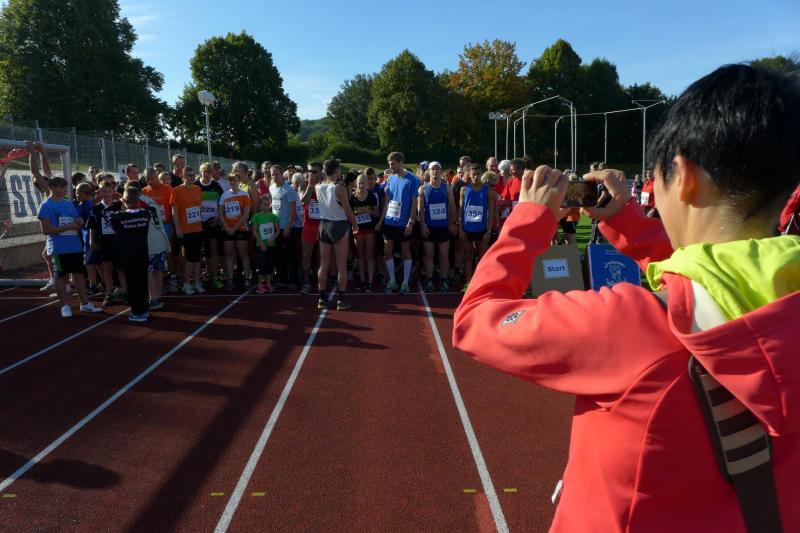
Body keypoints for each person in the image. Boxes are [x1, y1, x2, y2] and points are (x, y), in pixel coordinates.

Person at [453, 64, 800, 532]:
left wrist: (530, 219)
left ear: (684, 175)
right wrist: (630, 224)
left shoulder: (627, 324)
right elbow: (715, 280)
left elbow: (476, 319)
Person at [36, 177, 103, 317]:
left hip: (75, 246)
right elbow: (46, 230)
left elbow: (76, 220)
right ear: (53, 187)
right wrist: (69, 226)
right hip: (59, 247)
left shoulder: (69, 204)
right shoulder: (46, 205)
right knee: (61, 276)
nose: (65, 190)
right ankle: (65, 306)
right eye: (62, 187)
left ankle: (85, 304)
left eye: (65, 187)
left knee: (79, 275)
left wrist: (79, 221)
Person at [316, 159, 358, 310]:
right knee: (341, 264)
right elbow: (348, 211)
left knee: (324, 264)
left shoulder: (318, 186)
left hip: (324, 225)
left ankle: (322, 298)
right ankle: (341, 299)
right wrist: (355, 225)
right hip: (338, 224)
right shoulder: (339, 188)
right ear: (336, 170)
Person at [375, 151, 419, 294]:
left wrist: (410, 223)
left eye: (393, 164)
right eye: (389, 164)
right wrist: (381, 221)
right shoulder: (390, 179)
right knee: (387, 251)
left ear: (401, 163)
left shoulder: (413, 180)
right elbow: (388, 201)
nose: (391, 167)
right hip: (389, 221)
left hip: (404, 223)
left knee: (406, 252)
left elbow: (414, 204)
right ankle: (392, 281)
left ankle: (405, 283)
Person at [110, 184, 152, 322]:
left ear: (124, 200)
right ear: (138, 200)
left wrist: (120, 203)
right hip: (142, 253)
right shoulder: (146, 214)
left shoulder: (119, 217)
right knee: (143, 283)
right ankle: (144, 309)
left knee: (133, 285)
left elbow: (109, 215)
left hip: (128, 255)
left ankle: (137, 312)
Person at [419, 161, 457, 292]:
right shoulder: (423, 189)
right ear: (429, 172)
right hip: (429, 227)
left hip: (443, 227)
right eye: (432, 169)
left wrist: (453, 223)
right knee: (429, 254)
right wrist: (423, 225)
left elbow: (452, 206)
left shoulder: (447, 188)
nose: (435, 171)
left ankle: (444, 279)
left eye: (437, 169)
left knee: (444, 255)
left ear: (441, 171)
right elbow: (420, 210)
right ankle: (429, 279)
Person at [87, 179, 125, 305]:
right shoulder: (96, 208)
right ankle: (109, 293)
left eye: (109, 191)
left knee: (120, 268)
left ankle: (125, 291)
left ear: (113, 191)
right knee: (107, 268)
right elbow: (92, 226)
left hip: (118, 241)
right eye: (104, 191)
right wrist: (91, 240)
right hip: (104, 242)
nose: (107, 194)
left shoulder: (119, 206)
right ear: (100, 192)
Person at [458, 170, 495, 292]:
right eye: (473, 174)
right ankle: (469, 284)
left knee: (483, 258)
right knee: (468, 257)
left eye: (478, 174)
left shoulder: (487, 190)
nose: (475, 177)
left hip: (482, 229)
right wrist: (461, 229)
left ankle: (482, 284)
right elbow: (460, 210)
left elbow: (491, 212)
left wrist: (488, 231)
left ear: (481, 175)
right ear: (470, 175)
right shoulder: (464, 189)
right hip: (467, 229)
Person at [170, 166, 204, 295]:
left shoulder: (197, 189)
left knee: (197, 257)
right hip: (185, 229)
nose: (192, 178)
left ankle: (197, 282)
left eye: (193, 175)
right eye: (189, 175)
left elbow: (199, 206)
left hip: (197, 227)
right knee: (189, 257)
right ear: (183, 177)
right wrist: (178, 228)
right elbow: (174, 211)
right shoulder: (177, 190)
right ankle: (187, 283)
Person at [219, 172, 252, 290]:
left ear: (239, 181)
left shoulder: (245, 195)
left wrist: (234, 228)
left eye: (235, 180)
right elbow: (221, 213)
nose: (233, 182)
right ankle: (230, 280)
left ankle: (247, 279)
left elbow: (246, 214)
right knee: (229, 255)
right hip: (227, 229)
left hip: (241, 229)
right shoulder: (225, 195)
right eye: (231, 180)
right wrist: (227, 227)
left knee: (243, 254)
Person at [269, 164, 299, 288]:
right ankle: (282, 279)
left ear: (282, 174)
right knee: (278, 255)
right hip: (276, 227)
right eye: (272, 174)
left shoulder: (289, 189)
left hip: (287, 227)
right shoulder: (271, 188)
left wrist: (288, 227)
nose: (274, 176)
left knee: (291, 255)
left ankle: (294, 281)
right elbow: (273, 206)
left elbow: (293, 210)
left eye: (277, 174)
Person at [197, 162, 225, 289]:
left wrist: (218, 217)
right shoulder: (196, 185)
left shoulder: (216, 186)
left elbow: (221, 204)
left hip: (213, 222)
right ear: (201, 172)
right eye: (205, 171)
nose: (207, 174)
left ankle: (214, 276)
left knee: (213, 250)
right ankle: (201, 277)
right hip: (198, 223)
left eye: (209, 172)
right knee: (201, 251)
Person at [349, 173, 379, 291]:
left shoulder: (371, 196)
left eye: (363, 183)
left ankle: (370, 281)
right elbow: (348, 213)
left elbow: (377, 214)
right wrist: (356, 213)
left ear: (367, 184)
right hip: (358, 229)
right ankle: (362, 280)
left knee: (369, 255)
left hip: (369, 229)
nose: (361, 185)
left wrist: (368, 211)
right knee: (360, 255)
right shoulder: (352, 197)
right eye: (359, 183)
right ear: (356, 184)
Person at [299, 161, 323, 294]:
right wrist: (310, 186)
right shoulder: (303, 184)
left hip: (322, 225)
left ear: (320, 172)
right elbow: (303, 201)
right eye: (309, 171)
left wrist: (318, 187)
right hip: (308, 225)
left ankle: (321, 283)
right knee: (306, 256)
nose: (311, 174)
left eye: (314, 171)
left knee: (321, 257)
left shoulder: (325, 185)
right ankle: (306, 283)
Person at [251, 194, 280, 293]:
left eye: (268, 205)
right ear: (260, 205)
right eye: (264, 205)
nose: (266, 207)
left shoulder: (273, 216)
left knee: (269, 265)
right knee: (262, 265)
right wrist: (261, 243)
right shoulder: (257, 216)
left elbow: (277, 230)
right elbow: (254, 231)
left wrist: (273, 238)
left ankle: (268, 283)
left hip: (271, 245)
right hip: (261, 246)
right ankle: (260, 285)